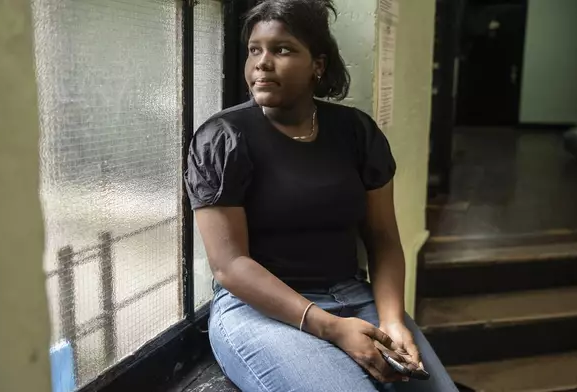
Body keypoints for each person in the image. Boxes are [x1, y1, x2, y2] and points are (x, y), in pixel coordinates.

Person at [185, 0, 458, 390]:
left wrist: (393, 320)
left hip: (353, 294)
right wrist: (330, 327)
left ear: (318, 64)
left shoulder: (356, 133)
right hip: (261, 309)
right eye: (254, 50)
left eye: (282, 49)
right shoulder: (223, 139)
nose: (261, 62)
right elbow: (229, 265)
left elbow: (382, 240)